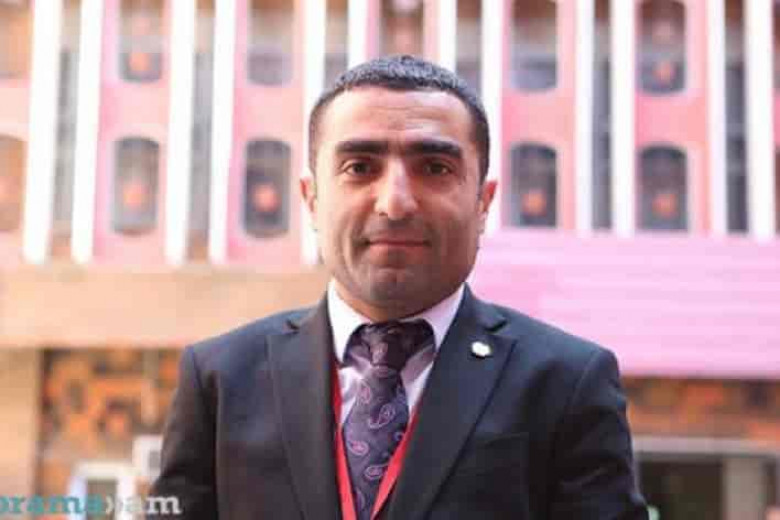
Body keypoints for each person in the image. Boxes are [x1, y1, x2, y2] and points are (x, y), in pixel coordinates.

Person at [149, 55, 648, 519]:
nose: (395, 202)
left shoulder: (567, 384)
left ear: (483, 202)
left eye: (435, 168)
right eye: (359, 168)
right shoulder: (220, 380)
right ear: (311, 198)